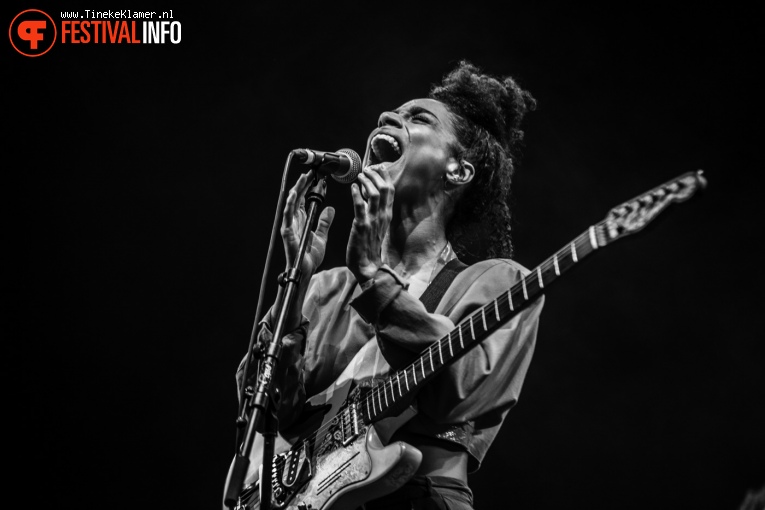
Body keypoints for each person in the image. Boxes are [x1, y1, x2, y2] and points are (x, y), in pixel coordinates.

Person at [238, 61, 544, 510]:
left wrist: (373, 277)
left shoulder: (497, 282)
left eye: (419, 118)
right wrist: (294, 284)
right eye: (391, 113)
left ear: (458, 170)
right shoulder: (324, 289)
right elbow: (259, 415)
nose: (387, 118)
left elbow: (459, 392)